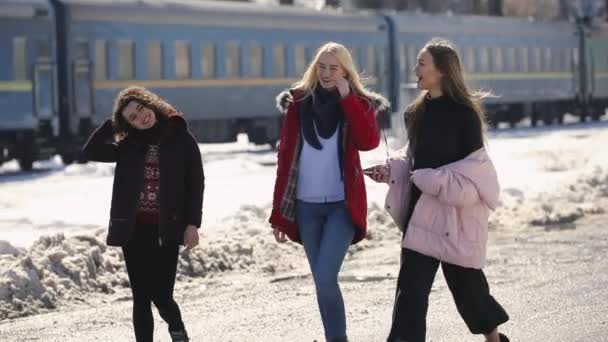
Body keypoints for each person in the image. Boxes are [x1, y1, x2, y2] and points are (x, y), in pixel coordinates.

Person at [368, 38, 510, 342]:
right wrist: (391, 171)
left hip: (455, 216)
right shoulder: (413, 113)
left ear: (442, 71)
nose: (415, 69)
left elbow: (477, 174)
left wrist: (436, 181)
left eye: (422, 63)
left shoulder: (465, 115)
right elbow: (413, 159)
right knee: (410, 292)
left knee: (468, 286)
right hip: (422, 214)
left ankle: (494, 339)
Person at [269, 41, 389, 342]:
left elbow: (367, 142)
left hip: (341, 205)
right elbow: (285, 159)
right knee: (323, 283)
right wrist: (278, 214)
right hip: (305, 205)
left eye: (333, 68)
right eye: (321, 67)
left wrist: (347, 97)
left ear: (345, 72)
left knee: (325, 276)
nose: (325, 73)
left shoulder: (358, 103)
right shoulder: (297, 102)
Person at [82, 86, 204, 342]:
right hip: (134, 229)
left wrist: (192, 224)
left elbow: (195, 183)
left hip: (167, 228)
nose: (141, 117)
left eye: (141, 109)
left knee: (161, 295)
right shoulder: (128, 145)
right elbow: (90, 151)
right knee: (140, 297)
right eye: (133, 118)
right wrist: (114, 122)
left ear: (150, 104)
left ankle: (176, 325)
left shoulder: (180, 137)